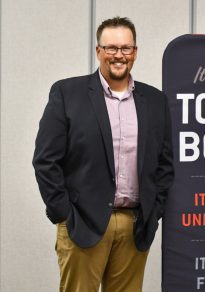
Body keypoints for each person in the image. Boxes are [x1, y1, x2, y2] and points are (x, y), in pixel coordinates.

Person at [32, 16, 174, 292]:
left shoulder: (155, 101)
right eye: (111, 48)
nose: (118, 55)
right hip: (81, 224)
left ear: (135, 52)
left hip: (135, 227)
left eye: (125, 48)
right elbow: (45, 160)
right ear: (98, 51)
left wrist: (153, 211)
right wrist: (63, 213)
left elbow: (165, 164)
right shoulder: (67, 93)